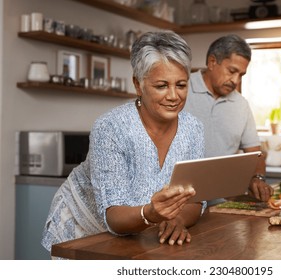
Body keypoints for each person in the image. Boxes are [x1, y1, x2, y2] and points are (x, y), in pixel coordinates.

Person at [41, 31, 206, 253]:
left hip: (142, 234)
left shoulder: (193, 128)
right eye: (161, 86)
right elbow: (114, 216)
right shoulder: (111, 127)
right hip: (84, 230)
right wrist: (152, 214)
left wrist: (177, 220)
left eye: (181, 85)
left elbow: (195, 202)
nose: (174, 96)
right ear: (138, 85)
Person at [184, 34, 273, 202]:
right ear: (212, 62)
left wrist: (258, 178)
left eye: (241, 75)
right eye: (232, 71)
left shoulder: (241, 105)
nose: (235, 81)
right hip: (180, 202)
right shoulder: (180, 89)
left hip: (221, 203)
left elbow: (255, 153)